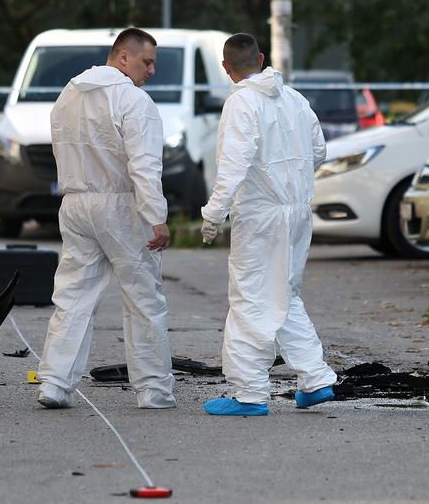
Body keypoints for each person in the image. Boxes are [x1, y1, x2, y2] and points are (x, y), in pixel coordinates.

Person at [35, 28, 176, 410]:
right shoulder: (133, 100)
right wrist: (156, 217)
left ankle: (54, 382)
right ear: (124, 57)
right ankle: (154, 390)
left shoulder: (70, 93)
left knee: (73, 295)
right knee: (144, 297)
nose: (151, 71)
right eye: (147, 62)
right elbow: (145, 165)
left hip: (76, 202)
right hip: (120, 204)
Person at [199, 33, 338, 416]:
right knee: (285, 294)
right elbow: (319, 150)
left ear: (227, 68)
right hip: (296, 212)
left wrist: (213, 215)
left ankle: (249, 393)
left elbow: (233, 166)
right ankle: (315, 378)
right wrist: (293, 183)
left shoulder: (241, 102)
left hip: (261, 215)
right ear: (261, 58)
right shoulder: (294, 98)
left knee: (249, 299)